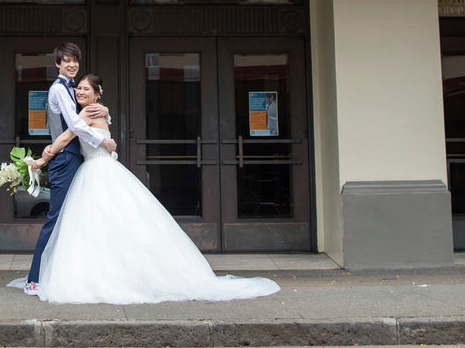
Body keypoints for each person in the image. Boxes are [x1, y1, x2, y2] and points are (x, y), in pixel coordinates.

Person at [21, 75, 279, 305]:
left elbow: (69, 135)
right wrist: (103, 138)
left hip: (98, 172)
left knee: (98, 225)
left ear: (98, 94)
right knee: (106, 226)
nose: (80, 93)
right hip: (96, 169)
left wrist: (44, 157)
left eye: (86, 90)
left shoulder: (90, 112)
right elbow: (83, 133)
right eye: (79, 89)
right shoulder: (94, 111)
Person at [19, 43, 114, 296]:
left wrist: (105, 111)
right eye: (67, 60)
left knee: (77, 218)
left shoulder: (74, 88)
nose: (72, 64)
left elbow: (88, 113)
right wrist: (102, 141)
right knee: (57, 217)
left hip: (77, 157)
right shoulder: (60, 89)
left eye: (75, 60)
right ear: (58, 64)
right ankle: (35, 278)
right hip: (65, 158)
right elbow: (74, 123)